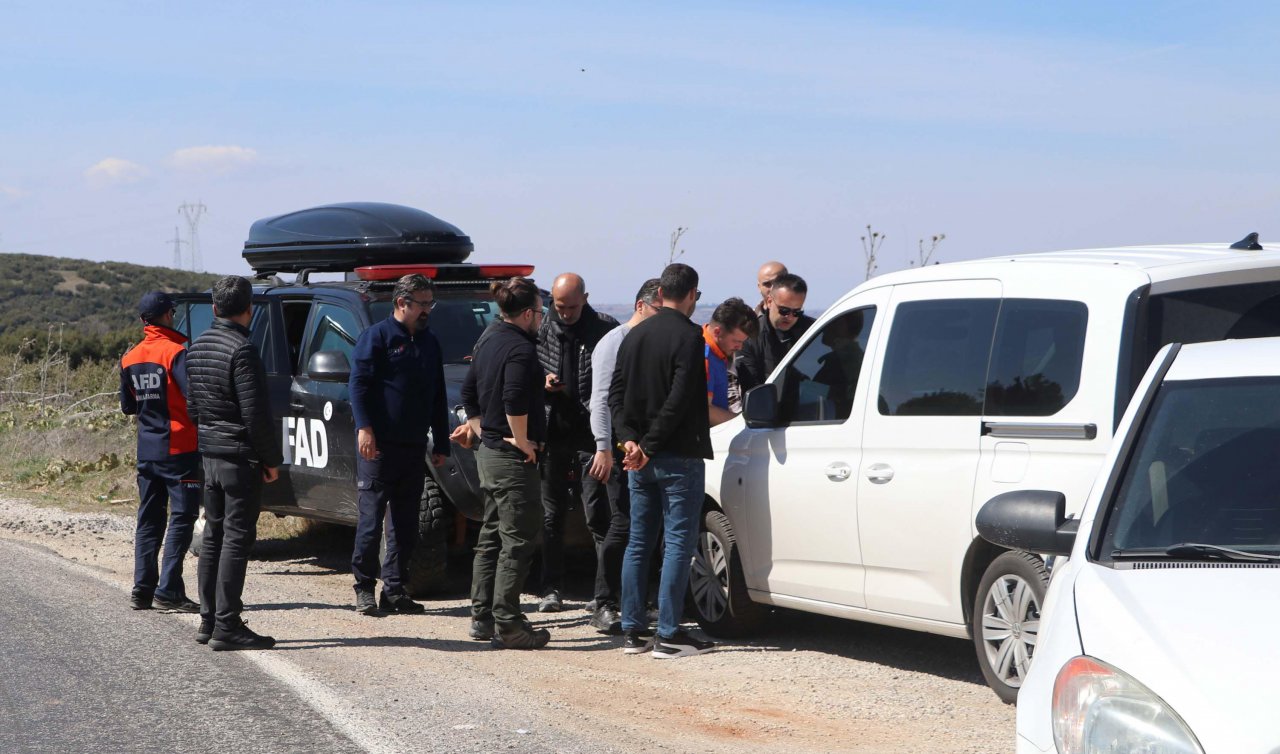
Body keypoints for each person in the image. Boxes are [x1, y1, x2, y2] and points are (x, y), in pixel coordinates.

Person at [609, 263, 716, 659]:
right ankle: (669, 634)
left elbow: (614, 397)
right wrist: (648, 445)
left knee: (639, 542)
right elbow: (680, 399)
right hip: (675, 456)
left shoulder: (633, 335)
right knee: (676, 544)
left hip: (639, 458)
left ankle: (633, 631)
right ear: (690, 294)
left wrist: (630, 443)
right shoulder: (689, 336)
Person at [186, 276, 282, 651]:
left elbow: (194, 407)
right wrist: (271, 460)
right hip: (239, 456)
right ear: (249, 309)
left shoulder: (197, 348)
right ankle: (227, 624)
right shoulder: (242, 349)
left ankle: (208, 620)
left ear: (213, 308)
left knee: (213, 536)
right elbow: (255, 414)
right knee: (236, 541)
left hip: (209, 454)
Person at [348, 274, 451, 616]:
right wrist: (365, 429)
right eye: (422, 304)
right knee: (371, 520)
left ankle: (394, 589)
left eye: (429, 304)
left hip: (413, 447)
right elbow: (358, 386)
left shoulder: (430, 341)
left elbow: (437, 394)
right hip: (378, 447)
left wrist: (441, 442)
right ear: (401, 303)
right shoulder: (376, 337)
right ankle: (364, 587)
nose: (428, 310)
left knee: (406, 525)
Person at [460, 277, 550, 649]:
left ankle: (483, 616)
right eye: (541, 313)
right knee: (518, 539)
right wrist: (522, 439)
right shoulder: (519, 348)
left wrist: (485, 432)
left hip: (490, 453)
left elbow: (468, 393)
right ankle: (509, 624)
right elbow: (514, 398)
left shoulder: (489, 339)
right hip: (510, 460)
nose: (542, 320)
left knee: (492, 535)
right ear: (528, 313)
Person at [535, 273, 619, 614]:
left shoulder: (604, 328)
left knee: (597, 515)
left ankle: (605, 594)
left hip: (591, 436)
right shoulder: (540, 326)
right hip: (553, 434)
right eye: (559, 306)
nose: (566, 313)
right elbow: (524, 370)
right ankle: (550, 588)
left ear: (585, 298)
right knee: (551, 517)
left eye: (571, 306)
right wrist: (543, 383)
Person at [583, 278, 662, 634]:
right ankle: (605, 601)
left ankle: (638, 599)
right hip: (619, 443)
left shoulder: (655, 341)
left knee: (647, 525)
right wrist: (603, 446)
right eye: (659, 311)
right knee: (623, 521)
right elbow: (599, 399)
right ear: (640, 305)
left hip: (648, 445)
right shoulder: (613, 343)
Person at [119, 291, 201, 613]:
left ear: (143, 321)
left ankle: (142, 591)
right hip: (179, 449)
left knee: (149, 519)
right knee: (182, 517)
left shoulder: (129, 358)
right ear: (169, 315)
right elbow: (194, 398)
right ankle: (168, 591)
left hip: (147, 450)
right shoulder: (176, 352)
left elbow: (128, 407)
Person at [736, 273, 816, 393]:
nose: (789, 317)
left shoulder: (813, 332)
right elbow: (751, 389)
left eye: (797, 312)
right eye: (784, 310)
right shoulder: (750, 336)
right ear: (769, 302)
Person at [703, 297, 758, 427]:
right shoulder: (704, 357)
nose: (739, 348)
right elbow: (705, 410)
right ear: (717, 332)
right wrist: (741, 424)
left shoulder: (718, 352)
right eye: (737, 341)